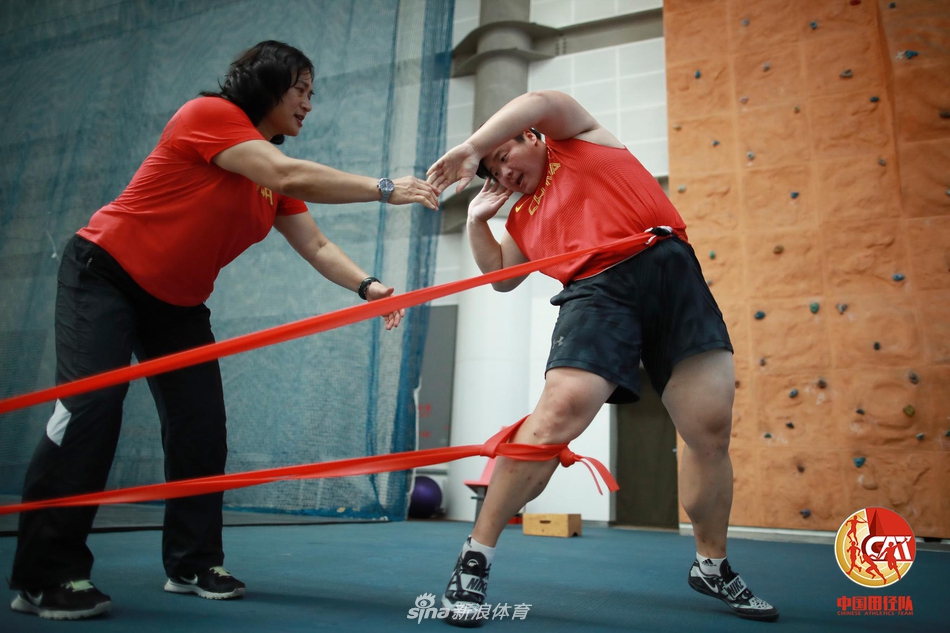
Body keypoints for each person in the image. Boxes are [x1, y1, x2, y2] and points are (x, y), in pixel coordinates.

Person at [9, 40, 439, 621]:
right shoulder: (209, 117)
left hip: (179, 305)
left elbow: (313, 242)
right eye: (301, 89)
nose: (309, 104)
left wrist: (369, 287)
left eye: (313, 93)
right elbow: (287, 170)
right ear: (267, 83)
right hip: (103, 276)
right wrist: (387, 188)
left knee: (201, 429)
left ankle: (193, 562)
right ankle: (46, 573)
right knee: (90, 407)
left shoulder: (270, 176)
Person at [426, 89, 779, 625]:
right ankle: (474, 558)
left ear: (531, 136)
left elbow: (542, 98)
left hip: (671, 274)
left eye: (504, 157)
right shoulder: (521, 216)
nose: (502, 173)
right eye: (493, 172)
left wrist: (472, 147)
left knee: (710, 430)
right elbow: (502, 277)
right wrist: (479, 222)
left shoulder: (578, 141)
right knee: (558, 416)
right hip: (599, 292)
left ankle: (712, 564)